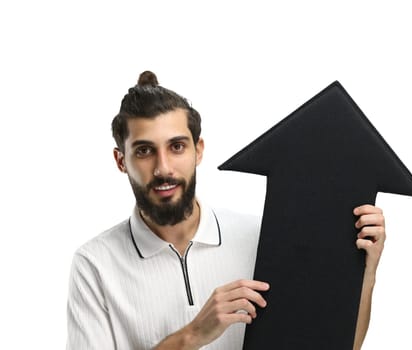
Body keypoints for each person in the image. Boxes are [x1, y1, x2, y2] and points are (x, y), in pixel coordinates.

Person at [66, 71, 386, 350]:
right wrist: (192, 336)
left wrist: (365, 271)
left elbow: (336, 346)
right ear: (121, 161)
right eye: (145, 150)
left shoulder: (262, 238)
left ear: (198, 150)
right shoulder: (95, 265)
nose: (163, 167)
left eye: (177, 146)